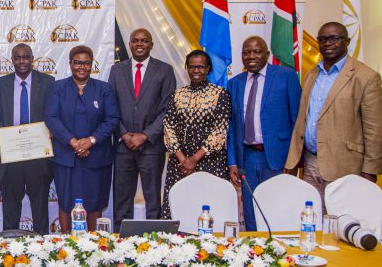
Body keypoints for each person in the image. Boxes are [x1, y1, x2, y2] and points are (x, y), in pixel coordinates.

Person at [285, 22, 382, 211]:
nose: (328, 43)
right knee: (312, 218)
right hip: (310, 161)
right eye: (322, 39)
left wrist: (370, 171)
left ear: (347, 42)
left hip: (345, 165)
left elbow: (376, 130)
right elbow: (303, 118)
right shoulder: (312, 74)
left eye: (334, 38)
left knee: (340, 221)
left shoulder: (366, 77)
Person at [226, 36, 301, 230]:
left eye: (257, 51)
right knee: (251, 210)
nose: (251, 56)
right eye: (246, 52)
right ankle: (254, 251)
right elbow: (232, 126)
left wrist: (293, 159)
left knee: (277, 208)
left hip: (277, 157)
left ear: (267, 54)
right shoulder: (234, 83)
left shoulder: (286, 77)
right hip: (247, 158)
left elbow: (297, 121)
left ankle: (278, 253)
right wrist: (233, 162)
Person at [45, 44, 120, 230]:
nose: (82, 67)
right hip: (66, 157)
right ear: (70, 64)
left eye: (86, 63)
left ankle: (94, 247)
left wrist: (91, 141)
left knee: (94, 203)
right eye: (77, 62)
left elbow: (112, 118)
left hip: (97, 157)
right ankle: (65, 246)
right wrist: (74, 143)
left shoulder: (104, 89)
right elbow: (51, 117)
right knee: (66, 202)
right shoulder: (58, 88)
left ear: (92, 65)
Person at [109, 28, 176, 226]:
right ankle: (120, 243)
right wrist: (124, 134)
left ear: (151, 45)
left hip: (152, 147)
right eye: (135, 40)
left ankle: (154, 245)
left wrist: (145, 135)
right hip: (123, 147)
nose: (139, 44)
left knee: (153, 201)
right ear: (129, 44)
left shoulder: (164, 70)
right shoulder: (117, 70)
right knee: (121, 201)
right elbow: (111, 107)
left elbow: (168, 109)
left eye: (144, 41)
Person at [161, 50, 232, 220]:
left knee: (208, 208)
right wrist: (182, 159)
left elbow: (219, 131)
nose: (196, 71)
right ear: (187, 68)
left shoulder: (220, 94)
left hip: (210, 161)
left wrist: (195, 159)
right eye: (192, 67)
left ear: (208, 69)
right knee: (179, 207)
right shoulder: (178, 94)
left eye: (200, 67)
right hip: (180, 164)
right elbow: (168, 127)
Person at [0, 43, 55, 234]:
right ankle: (11, 251)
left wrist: (51, 128)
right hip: (9, 156)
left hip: (38, 156)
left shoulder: (49, 83)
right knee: (10, 209)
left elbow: (54, 113)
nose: (22, 62)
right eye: (17, 58)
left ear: (32, 59)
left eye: (25, 57)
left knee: (40, 209)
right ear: (12, 60)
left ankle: (42, 249)